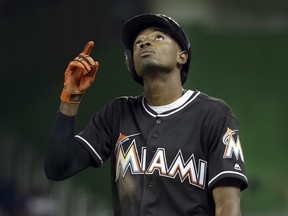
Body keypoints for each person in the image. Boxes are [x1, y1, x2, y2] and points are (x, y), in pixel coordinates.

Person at [44, 13, 248, 216]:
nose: (145, 44)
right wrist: (70, 98)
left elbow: (228, 206)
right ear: (131, 62)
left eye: (158, 37)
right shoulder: (117, 114)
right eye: (138, 43)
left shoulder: (213, 114)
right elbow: (58, 168)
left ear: (182, 56)